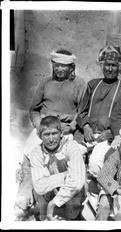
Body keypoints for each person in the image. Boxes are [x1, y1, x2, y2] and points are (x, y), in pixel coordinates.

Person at [15, 49, 86, 217]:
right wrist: (41, 127)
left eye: (64, 66)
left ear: (72, 67)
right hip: (44, 128)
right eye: (57, 65)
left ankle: (64, 204)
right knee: (28, 156)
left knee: (66, 158)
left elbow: (83, 111)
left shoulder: (80, 84)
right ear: (52, 65)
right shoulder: (45, 83)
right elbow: (34, 110)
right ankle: (24, 198)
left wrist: (73, 126)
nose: (60, 69)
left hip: (65, 129)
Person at [75, 45, 121, 178]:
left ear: (119, 68)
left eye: (113, 66)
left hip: (107, 138)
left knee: (95, 163)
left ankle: (99, 195)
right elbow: (81, 111)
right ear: (102, 66)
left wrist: (112, 132)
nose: (110, 69)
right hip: (86, 135)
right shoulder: (92, 84)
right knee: (70, 155)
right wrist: (86, 126)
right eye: (107, 65)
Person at [30, 116, 86, 221]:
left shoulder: (71, 147)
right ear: (40, 136)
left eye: (54, 133)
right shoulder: (36, 153)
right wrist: (65, 175)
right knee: (44, 218)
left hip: (71, 192)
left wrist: (53, 203)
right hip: (48, 192)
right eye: (46, 134)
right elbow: (39, 186)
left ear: (61, 133)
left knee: (72, 216)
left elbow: (76, 182)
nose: (51, 139)